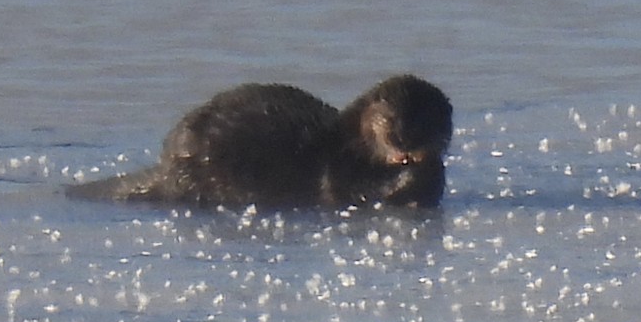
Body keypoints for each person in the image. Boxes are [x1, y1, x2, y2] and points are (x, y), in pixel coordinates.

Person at [66, 75, 452, 209]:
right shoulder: (340, 164)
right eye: (396, 132)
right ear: (372, 116)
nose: (406, 145)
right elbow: (343, 194)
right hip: (202, 164)